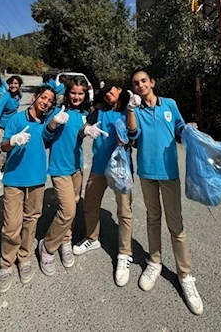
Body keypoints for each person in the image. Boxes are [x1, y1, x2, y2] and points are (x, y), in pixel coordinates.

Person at [126, 69, 203, 315]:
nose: (140, 86)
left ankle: (185, 275)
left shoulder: (169, 104)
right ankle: (154, 262)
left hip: (169, 173)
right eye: (136, 83)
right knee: (152, 219)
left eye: (144, 81)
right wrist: (129, 110)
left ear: (152, 83)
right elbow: (133, 135)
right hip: (147, 173)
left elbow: (179, 127)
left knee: (176, 225)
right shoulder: (135, 110)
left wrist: (187, 128)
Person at [72, 80, 135, 287]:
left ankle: (124, 254)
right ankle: (92, 237)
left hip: (121, 169)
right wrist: (86, 131)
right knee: (90, 203)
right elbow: (83, 128)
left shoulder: (130, 111)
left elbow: (136, 136)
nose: (108, 94)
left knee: (124, 211)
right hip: (99, 166)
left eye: (111, 90)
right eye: (105, 92)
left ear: (119, 89)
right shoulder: (99, 111)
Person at [0, 85, 56, 293]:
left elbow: (49, 139)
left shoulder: (47, 122)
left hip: (37, 179)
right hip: (14, 179)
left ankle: (25, 258)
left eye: (50, 100)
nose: (46, 102)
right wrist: (12, 141)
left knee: (31, 221)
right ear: (35, 97)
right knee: (11, 225)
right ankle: (6, 264)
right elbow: (2, 146)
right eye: (43, 97)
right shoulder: (17, 119)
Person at [37, 76, 91, 276]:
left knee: (74, 206)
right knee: (67, 210)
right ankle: (48, 247)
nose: (76, 96)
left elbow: (80, 133)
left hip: (77, 167)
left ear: (85, 95)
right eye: (73, 93)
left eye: (80, 93)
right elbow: (44, 137)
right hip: (59, 168)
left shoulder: (84, 113)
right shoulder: (57, 111)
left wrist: (87, 130)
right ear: (67, 93)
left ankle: (66, 240)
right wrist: (53, 124)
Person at [0, 75, 24, 181]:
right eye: (11, 83)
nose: (13, 85)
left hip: (12, 126)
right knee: (4, 149)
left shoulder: (19, 95)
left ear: (19, 85)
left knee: (13, 146)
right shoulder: (5, 96)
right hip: (1, 126)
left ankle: (8, 165)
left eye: (16, 83)